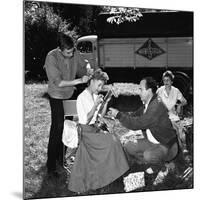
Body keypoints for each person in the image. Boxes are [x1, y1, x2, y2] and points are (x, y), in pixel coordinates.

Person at [67, 69, 129, 193]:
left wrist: (105, 101)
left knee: (114, 140)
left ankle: (113, 174)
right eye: (99, 85)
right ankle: (111, 175)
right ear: (92, 81)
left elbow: (100, 115)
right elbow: (85, 120)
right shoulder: (82, 97)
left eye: (102, 85)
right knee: (111, 141)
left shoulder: (95, 96)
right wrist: (95, 105)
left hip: (94, 130)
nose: (100, 88)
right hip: (86, 132)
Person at [43, 32, 91, 176]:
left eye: (72, 51)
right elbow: (59, 82)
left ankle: (60, 158)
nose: (71, 54)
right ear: (60, 50)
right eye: (68, 52)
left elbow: (83, 65)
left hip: (69, 94)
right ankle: (51, 166)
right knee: (57, 128)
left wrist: (88, 68)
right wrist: (79, 81)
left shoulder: (74, 53)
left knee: (67, 128)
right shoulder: (51, 57)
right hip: (56, 95)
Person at [109, 77, 179, 167]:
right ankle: (147, 162)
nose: (139, 92)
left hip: (167, 146)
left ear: (149, 91)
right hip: (152, 141)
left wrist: (119, 115)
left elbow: (137, 123)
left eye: (141, 89)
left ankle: (165, 165)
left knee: (148, 155)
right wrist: (118, 113)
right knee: (128, 146)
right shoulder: (149, 103)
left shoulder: (155, 107)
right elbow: (134, 115)